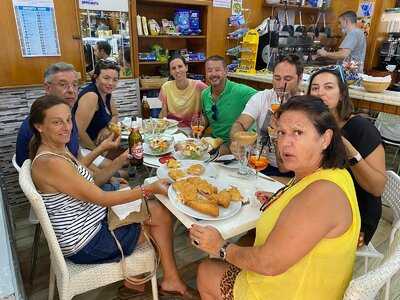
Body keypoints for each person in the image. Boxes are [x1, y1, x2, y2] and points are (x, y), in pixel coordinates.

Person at [191, 96, 361, 300]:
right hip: (300, 283)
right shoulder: (332, 174)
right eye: (281, 132)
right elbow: (303, 208)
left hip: (287, 292)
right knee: (247, 240)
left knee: (206, 270)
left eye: (298, 132)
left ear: (325, 139)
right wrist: (282, 200)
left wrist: (221, 247)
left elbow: (267, 263)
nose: (286, 143)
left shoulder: (322, 193)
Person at [29, 95, 199, 299]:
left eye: (68, 119)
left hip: (92, 222)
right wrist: (149, 189)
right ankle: (162, 281)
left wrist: (119, 159)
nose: (67, 127)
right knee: (159, 215)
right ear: (39, 126)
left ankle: (139, 285)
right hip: (88, 242)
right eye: (57, 122)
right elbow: (101, 198)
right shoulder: (50, 162)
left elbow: (90, 180)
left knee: (153, 208)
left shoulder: (57, 148)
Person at [308, 67, 386, 246]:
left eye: (328, 87)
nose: (320, 93)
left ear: (342, 94)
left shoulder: (361, 128)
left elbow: (377, 187)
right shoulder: (313, 127)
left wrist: (349, 150)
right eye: (315, 88)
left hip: (356, 217)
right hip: (321, 204)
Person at [16, 62, 117, 169]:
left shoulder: (66, 112)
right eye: (63, 84)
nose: (71, 90)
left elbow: (76, 157)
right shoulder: (42, 124)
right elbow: (69, 171)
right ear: (47, 88)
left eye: (74, 85)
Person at [229, 54, 303, 177]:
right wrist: (237, 140)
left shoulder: (305, 108)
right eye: (277, 78)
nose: (280, 84)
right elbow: (240, 124)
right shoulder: (262, 97)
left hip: (290, 172)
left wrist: (276, 136)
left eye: (287, 79)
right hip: (259, 163)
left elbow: (285, 167)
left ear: (300, 78)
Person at [201, 55, 257, 153]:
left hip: (234, 146)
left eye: (217, 70)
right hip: (214, 142)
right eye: (209, 70)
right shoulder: (204, 94)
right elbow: (206, 118)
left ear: (226, 72)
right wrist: (199, 127)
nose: (213, 74)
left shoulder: (240, 91)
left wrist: (252, 132)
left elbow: (263, 99)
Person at [74, 59, 120, 150]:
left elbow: (115, 115)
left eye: (115, 79)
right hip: (84, 149)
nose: (111, 83)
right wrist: (97, 152)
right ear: (96, 77)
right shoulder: (91, 96)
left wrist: (108, 128)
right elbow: (78, 132)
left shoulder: (106, 93)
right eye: (106, 78)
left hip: (100, 146)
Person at [159, 55, 207, 127]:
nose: (177, 70)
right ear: (170, 72)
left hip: (193, 129)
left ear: (186, 67)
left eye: (180, 66)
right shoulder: (166, 87)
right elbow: (163, 112)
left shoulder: (199, 86)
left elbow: (211, 102)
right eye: (173, 68)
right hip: (172, 129)